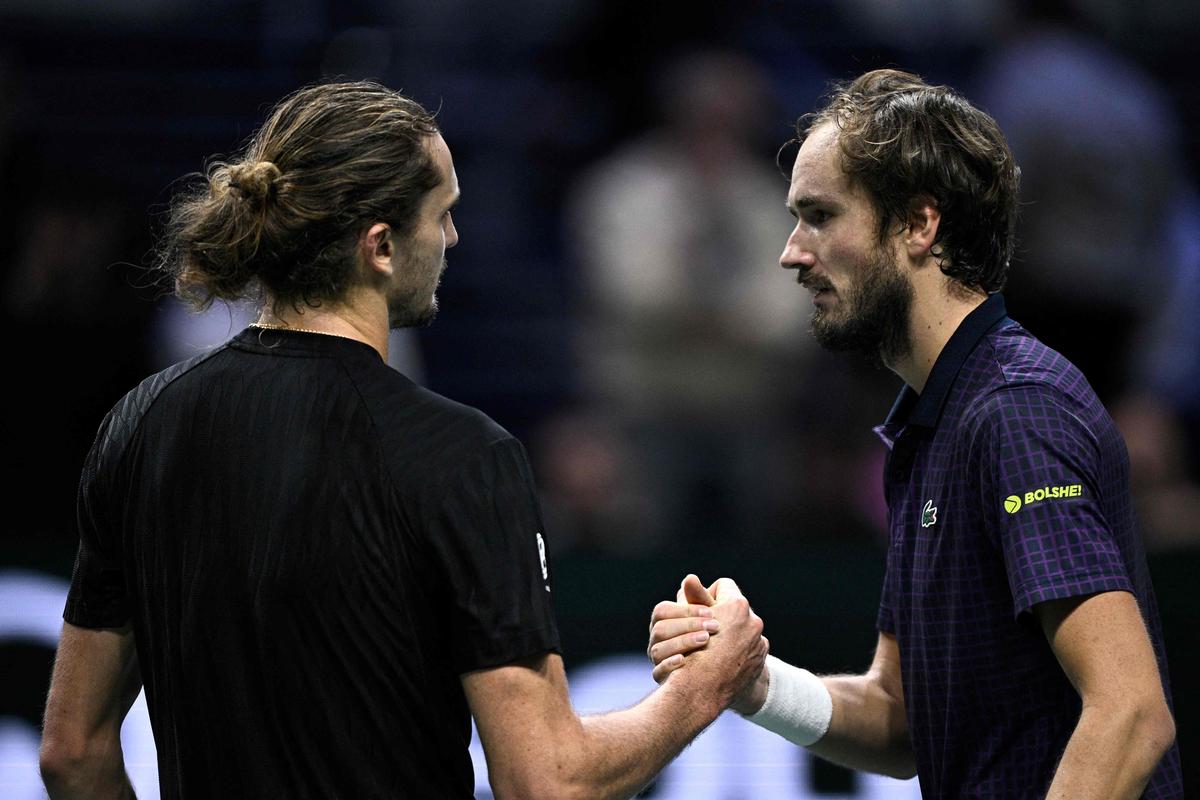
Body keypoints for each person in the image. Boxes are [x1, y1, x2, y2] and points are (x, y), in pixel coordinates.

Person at [38, 80, 767, 800]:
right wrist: (703, 688)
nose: (452, 238)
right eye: (442, 214)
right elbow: (548, 781)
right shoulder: (464, 457)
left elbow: (73, 754)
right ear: (381, 246)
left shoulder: (139, 423)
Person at [648, 69, 1182, 798]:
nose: (792, 253)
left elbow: (1130, 712)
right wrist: (751, 681)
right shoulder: (933, 425)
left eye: (820, 216)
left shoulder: (1016, 411)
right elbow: (901, 723)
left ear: (918, 225)